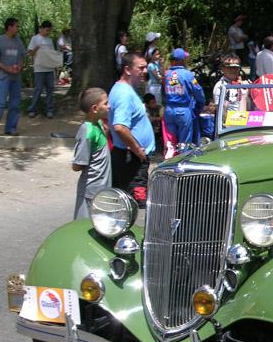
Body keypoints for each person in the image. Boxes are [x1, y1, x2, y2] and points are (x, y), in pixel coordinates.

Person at [108, 52, 155, 209]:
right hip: (131, 158)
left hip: (131, 156)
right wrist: (138, 150)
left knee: (128, 202)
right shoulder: (124, 93)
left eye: (146, 67)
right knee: (135, 205)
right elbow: (120, 127)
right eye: (140, 68)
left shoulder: (127, 89)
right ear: (127, 69)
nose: (145, 71)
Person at [72, 87, 111, 219]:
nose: (109, 106)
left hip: (101, 189)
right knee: (84, 228)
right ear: (94, 108)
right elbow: (77, 165)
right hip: (90, 191)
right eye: (105, 104)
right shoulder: (87, 130)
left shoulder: (98, 123)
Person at [0, 17, 26, 136]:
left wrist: (19, 66)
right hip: (4, 77)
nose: (18, 29)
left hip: (16, 77)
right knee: (1, 103)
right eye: (16, 26)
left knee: (15, 104)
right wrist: (6, 68)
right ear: (10, 27)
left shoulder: (18, 41)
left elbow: (22, 57)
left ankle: (11, 128)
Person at [163, 48, 205, 146]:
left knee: (171, 143)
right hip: (183, 111)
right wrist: (199, 106)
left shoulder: (166, 75)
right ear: (182, 60)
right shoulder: (188, 75)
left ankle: (171, 159)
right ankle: (182, 160)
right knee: (184, 144)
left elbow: (163, 93)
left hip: (168, 111)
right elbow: (198, 92)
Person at [27, 20, 57, 119]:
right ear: (42, 29)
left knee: (50, 89)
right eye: (47, 30)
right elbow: (30, 53)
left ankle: (49, 109)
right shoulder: (35, 39)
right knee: (38, 89)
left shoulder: (49, 40)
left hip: (49, 68)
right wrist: (35, 49)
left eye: (49, 31)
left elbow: (52, 53)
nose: (48, 32)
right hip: (39, 68)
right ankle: (33, 109)